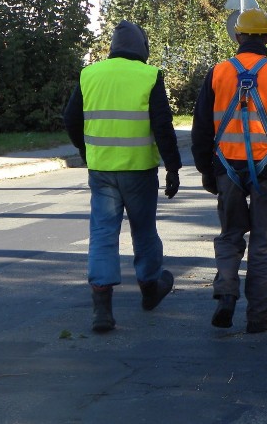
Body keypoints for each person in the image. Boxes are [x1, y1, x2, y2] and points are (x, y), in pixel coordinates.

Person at [191, 8, 267, 334]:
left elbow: (201, 127)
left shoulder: (218, 73)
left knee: (230, 235)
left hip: (227, 169)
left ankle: (226, 293)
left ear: (238, 36)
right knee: (266, 244)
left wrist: (205, 169)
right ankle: (259, 317)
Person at [63, 20, 181, 334]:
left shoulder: (90, 74)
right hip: (139, 171)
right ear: (142, 49)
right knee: (143, 232)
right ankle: (149, 290)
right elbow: (162, 125)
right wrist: (173, 167)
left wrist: (84, 150)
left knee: (102, 235)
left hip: (102, 171)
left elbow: (71, 118)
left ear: (114, 47)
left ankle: (102, 311)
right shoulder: (149, 75)